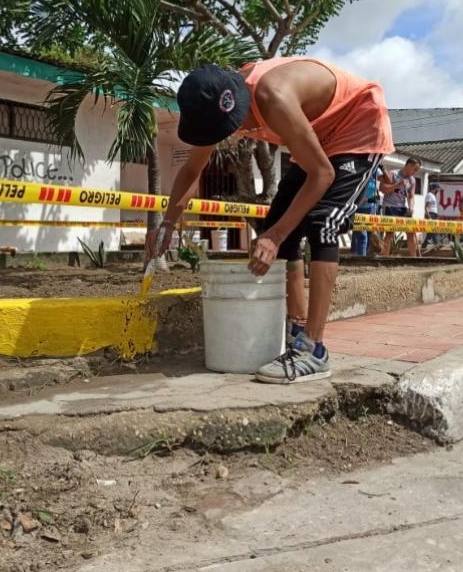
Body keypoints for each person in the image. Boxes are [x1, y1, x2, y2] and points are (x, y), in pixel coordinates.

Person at [148, 58, 392, 385]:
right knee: (278, 225)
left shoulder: (274, 97)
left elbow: (322, 174)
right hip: (319, 136)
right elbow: (192, 170)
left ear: (233, 113)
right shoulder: (219, 101)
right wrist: (167, 224)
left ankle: (313, 350)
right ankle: (296, 328)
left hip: (358, 126)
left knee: (323, 223)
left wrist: (274, 237)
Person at [379, 158, 421, 257]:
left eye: (417, 170)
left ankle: (413, 258)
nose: (415, 172)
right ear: (409, 165)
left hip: (402, 207)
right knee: (389, 233)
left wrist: (411, 207)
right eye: (414, 169)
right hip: (390, 206)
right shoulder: (393, 174)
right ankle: (385, 258)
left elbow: (411, 196)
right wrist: (398, 184)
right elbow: (383, 190)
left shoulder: (412, 180)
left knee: (411, 232)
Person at [350, 164, 381, 257]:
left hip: (369, 209)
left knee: (369, 234)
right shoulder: (360, 178)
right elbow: (356, 196)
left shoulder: (375, 178)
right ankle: (359, 257)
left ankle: (365, 256)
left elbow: (386, 182)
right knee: (361, 235)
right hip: (358, 209)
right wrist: (366, 200)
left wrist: (372, 199)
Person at [423, 182, 441, 252]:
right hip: (431, 214)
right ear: (435, 188)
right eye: (438, 188)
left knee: (431, 232)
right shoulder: (429, 195)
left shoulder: (433, 195)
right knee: (434, 230)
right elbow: (426, 207)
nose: (439, 190)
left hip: (434, 214)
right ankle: (437, 243)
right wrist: (429, 217)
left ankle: (424, 245)